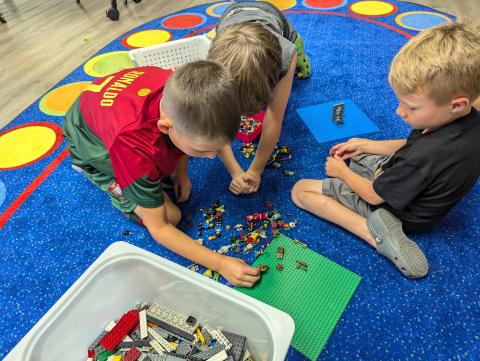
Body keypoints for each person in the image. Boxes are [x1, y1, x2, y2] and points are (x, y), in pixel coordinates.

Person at [291, 22, 480, 278]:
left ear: (456, 105)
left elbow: (374, 196)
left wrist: (340, 173)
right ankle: (371, 185)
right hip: (422, 189)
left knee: (301, 190)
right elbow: (413, 145)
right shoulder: (468, 119)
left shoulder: (422, 157)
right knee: (359, 158)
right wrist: (368, 145)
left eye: (411, 107)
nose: (399, 112)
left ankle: (373, 233)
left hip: (400, 211)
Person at [63, 61, 260, 287]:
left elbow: (201, 134)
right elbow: (159, 228)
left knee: (176, 159)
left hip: (113, 103)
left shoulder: (188, 93)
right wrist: (220, 262)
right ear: (166, 128)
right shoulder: (133, 148)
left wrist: (182, 171)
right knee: (171, 217)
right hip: (87, 139)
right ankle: (106, 179)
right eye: (202, 150)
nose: (212, 157)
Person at [207, 1, 311, 195]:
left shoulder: (285, 55)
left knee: (296, 65)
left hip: (279, 26)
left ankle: (302, 55)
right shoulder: (213, 65)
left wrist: (256, 170)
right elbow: (215, 122)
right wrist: (236, 171)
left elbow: (274, 118)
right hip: (230, 20)